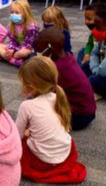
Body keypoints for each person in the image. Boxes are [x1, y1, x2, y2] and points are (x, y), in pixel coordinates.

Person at [16, 56, 87, 184]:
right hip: (65, 154)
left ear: (31, 87)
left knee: (20, 145)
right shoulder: (57, 97)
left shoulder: (26, 106)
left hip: (42, 162)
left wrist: (26, 134)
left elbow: (17, 136)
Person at [34, 27, 96, 130]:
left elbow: (48, 92)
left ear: (50, 49)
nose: (38, 52)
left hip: (80, 117)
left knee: (40, 115)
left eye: (40, 50)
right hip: (87, 111)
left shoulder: (58, 68)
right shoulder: (67, 56)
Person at [0, 0, 39, 67]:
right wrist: (11, 49)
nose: (14, 15)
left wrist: (13, 51)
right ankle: (13, 59)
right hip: (16, 47)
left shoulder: (31, 28)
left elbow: (28, 45)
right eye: (12, 12)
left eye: (17, 13)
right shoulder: (12, 26)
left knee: (23, 53)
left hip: (27, 49)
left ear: (26, 13)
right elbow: (12, 41)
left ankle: (7, 58)